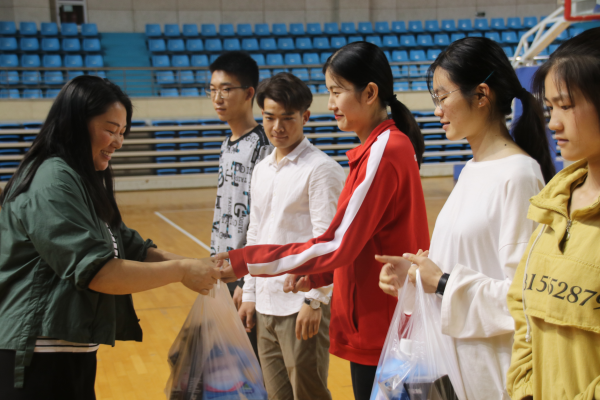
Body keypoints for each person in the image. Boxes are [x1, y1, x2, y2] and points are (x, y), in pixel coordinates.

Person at [219, 42, 431, 400]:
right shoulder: (376, 149)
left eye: (336, 92)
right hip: (373, 315)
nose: (330, 103)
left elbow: (337, 243)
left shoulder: (383, 150)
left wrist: (245, 263)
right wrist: (317, 275)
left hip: (383, 321)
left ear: (369, 93)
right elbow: (353, 239)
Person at [0, 76, 220, 399]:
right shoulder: (52, 181)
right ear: (77, 124)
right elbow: (99, 272)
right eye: (111, 130)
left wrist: (204, 267)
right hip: (35, 355)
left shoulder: (83, 179)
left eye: (122, 132)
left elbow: (133, 248)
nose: (118, 142)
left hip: (67, 353)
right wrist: (183, 270)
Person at [378, 37, 555, 400]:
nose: (437, 110)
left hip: (493, 374)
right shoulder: (473, 170)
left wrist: (443, 282)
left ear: (481, 95)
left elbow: (525, 297)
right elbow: (470, 263)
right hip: (456, 366)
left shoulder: (518, 175)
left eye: (443, 97)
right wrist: (414, 276)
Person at [238, 72, 345, 400]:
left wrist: (315, 300)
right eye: (270, 117)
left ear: (305, 117)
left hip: (301, 304)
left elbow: (328, 243)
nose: (277, 127)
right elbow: (255, 234)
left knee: (308, 394)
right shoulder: (262, 169)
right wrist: (250, 292)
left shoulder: (321, 169)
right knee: (276, 395)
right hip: (265, 303)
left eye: (287, 118)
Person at [506, 28, 600, 400]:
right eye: (550, 108)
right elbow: (523, 309)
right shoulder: (554, 205)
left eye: (566, 105)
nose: (553, 123)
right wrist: (525, 387)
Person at [207, 52, 272, 357]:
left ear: (249, 93)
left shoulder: (263, 145)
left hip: (245, 272)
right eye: (212, 89)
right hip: (223, 269)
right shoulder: (227, 144)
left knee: (254, 362)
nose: (217, 98)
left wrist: (248, 282)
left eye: (226, 89)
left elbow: (264, 217)